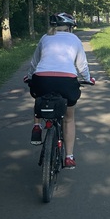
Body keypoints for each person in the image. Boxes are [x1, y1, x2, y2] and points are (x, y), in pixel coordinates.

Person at [24, 12, 95, 169]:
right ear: (70, 27)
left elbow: (34, 62)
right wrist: (88, 78)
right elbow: (82, 65)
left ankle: (37, 126)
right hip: (66, 81)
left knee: (39, 95)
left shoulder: (45, 37)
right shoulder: (74, 39)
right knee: (68, 118)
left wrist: (29, 77)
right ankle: (69, 157)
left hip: (41, 79)